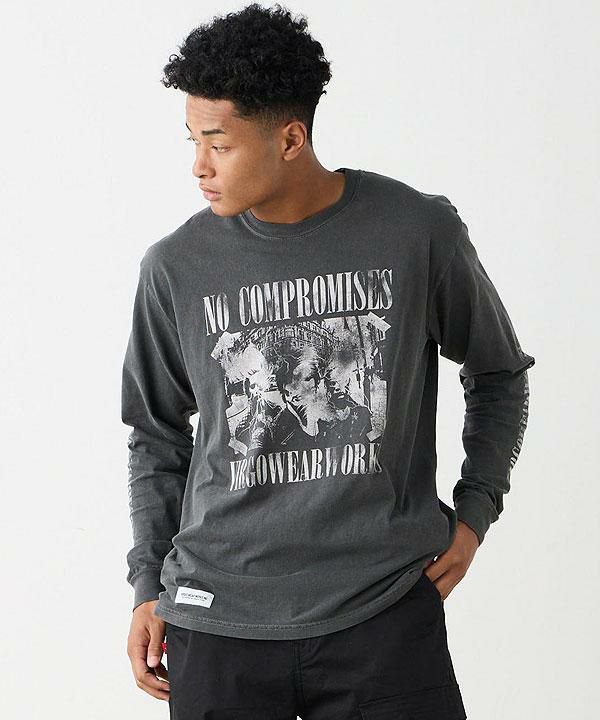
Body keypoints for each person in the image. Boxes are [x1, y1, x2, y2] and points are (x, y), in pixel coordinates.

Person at [121, 4, 535, 719]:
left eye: (218, 144)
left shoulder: (415, 231)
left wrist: (475, 512)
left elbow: (499, 373)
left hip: (383, 612)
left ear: (291, 138)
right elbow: (155, 434)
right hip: (218, 621)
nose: (199, 167)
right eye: (192, 141)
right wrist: (146, 588)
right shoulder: (176, 267)